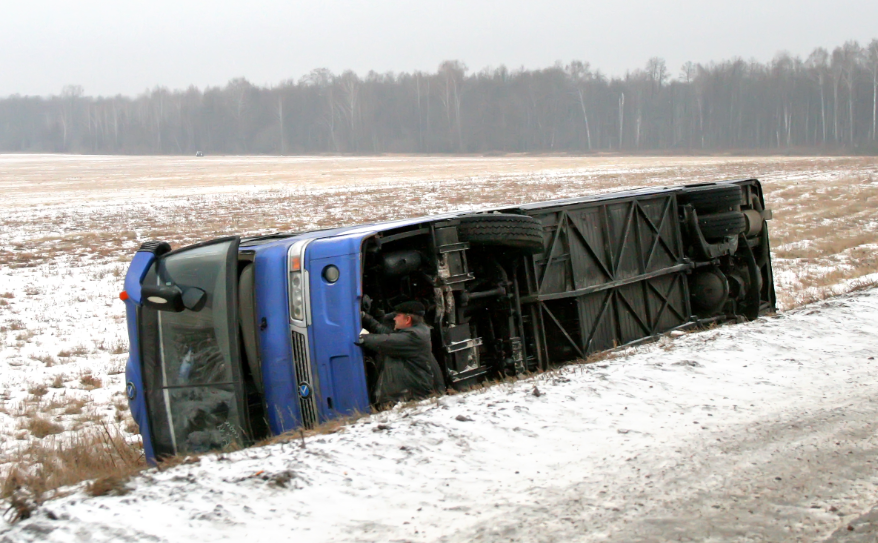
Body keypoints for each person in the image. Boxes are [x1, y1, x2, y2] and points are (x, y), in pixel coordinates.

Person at [359, 300, 445, 405]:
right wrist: (367, 319)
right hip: (407, 396)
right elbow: (389, 335)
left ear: (408, 319)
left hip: (410, 398)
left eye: (398, 315)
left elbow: (385, 341)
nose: (394, 318)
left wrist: (362, 337)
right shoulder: (415, 332)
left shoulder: (413, 337)